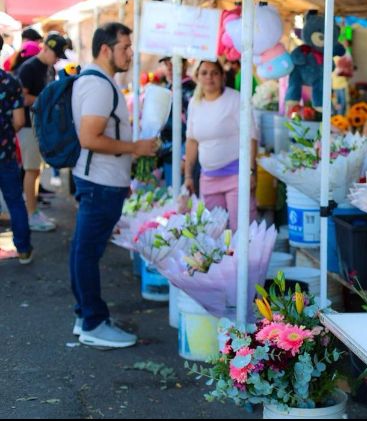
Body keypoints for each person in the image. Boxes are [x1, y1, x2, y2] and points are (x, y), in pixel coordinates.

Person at [70, 22, 157, 348]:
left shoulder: (97, 82)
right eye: (124, 47)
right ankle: (93, 322)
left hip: (102, 180)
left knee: (83, 250)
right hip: (100, 182)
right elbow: (90, 137)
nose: (130, 53)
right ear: (106, 49)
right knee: (87, 253)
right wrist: (136, 149)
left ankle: (85, 317)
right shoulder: (99, 86)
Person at [184, 60, 257, 232]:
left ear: (222, 76)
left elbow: (251, 138)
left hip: (236, 176)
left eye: (214, 73)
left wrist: (251, 172)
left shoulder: (235, 99)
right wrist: (188, 175)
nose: (209, 77)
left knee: (241, 231)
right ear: (197, 77)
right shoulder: (195, 103)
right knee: (213, 232)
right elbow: (192, 140)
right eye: (204, 73)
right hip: (208, 177)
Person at [16, 34, 68, 232]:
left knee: (36, 170)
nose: (57, 59)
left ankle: (33, 209)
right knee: (31, 170)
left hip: (40, 126)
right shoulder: (29, 68)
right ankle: (30, 214)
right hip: (29, 126)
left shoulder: (49, 68)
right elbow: (21, 97)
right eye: (56, 54)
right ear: (45, 48)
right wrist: (44, 101)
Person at [0, 38, 32, 263]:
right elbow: (20, 120)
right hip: (5, 153)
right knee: (14, 201)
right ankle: (23, 249)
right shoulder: (10, 82)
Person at [157, 56, 196, 188]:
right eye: (166, 63)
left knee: (183, 200)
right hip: (168, 153)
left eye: (173, 63)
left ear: (184, 65)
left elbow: (194, 128)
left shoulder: (189, 90)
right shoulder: (168, 87)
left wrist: (185, 157)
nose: (169, 67)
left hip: (183, 154)